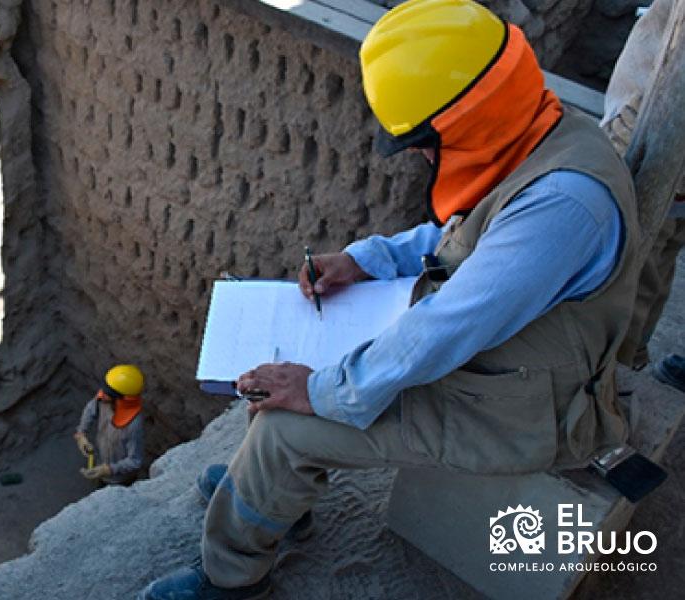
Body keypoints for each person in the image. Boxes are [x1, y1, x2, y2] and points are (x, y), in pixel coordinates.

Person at [140, 0, 642, 598]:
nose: (425, 155)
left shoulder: (563, 207)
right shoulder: (541, 132)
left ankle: (232, 575)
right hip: (502, 369)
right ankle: (276, 494)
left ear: (472, 120)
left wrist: (318, 389)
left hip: (526, 413)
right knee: (312, 382)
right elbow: (468, 235)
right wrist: (366, 260)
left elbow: (449, 326)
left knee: (283, 423)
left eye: (428, 141)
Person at [601, 0, 685, 388]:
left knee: (639, 264)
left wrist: (623, 144)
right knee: (653, 260)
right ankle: (627, 362)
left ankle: (617, 371)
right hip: (652, 140)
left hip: (658, 155)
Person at [73, 364, 146, 485]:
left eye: (108, 393)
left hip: (121, 479)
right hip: (101, 459)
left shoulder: (133, 425)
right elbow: (90, 409)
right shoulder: (105, 400)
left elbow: (135, 461)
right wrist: (81, 433)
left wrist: (108, 469)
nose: (102, 394)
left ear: (121, 399)